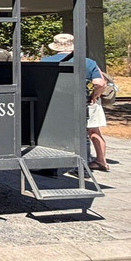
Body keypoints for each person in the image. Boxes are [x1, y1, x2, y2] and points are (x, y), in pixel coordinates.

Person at [40, 33, 109, 172]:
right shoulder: (87, 62)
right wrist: (94, 96)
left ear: (55, 46)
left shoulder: (46, 61)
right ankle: (82, 168)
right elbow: (100, 83)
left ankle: (50, 167)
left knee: (52, 133)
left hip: (53, 103)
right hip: (78, 102)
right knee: (82, 134)